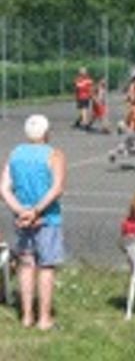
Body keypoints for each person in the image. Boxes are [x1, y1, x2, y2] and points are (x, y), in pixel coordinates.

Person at [0, 114, 66, 330]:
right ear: (46, 133)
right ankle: (44, 318)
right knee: (46, 267)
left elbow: (4, 188)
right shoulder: (54, 154)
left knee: (26, 264)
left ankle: (27, 315)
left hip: (22, 218)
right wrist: (36, 211)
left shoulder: (15, 154)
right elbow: (56, 188)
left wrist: (21, 210)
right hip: (47, 217)